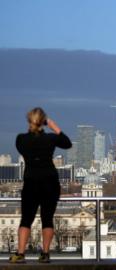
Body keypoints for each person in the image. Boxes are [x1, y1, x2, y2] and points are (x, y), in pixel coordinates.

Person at [9, 108, 72, 263]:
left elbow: (25, 147)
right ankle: (45, 254)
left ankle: (21, 254)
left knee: (26, 219)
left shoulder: (21, 139)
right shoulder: (51, 139)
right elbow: (67, 143)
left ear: (29, 121)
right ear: (43, 121)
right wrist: (53, 126)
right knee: (47, 218)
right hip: (50, 182)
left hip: (31, 182)